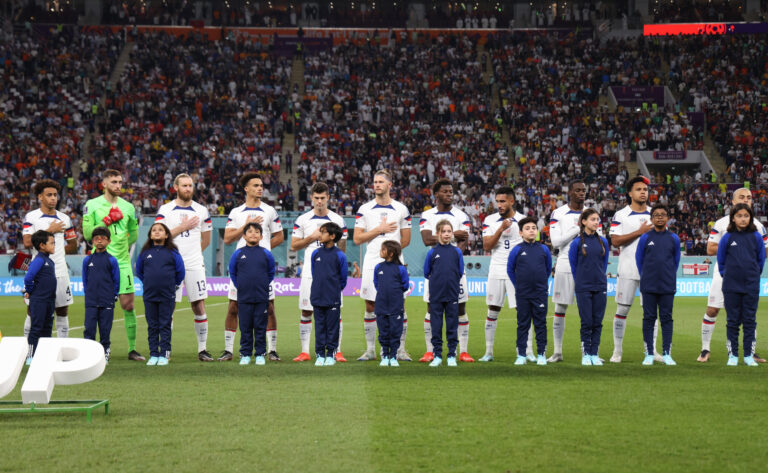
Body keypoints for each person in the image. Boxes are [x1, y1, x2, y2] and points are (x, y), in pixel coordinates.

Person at [699, 188, 768, 362]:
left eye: (749, 197)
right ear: (733, 201)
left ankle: (749, 352)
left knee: (748, 315)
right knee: (713, 310)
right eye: (742, 197)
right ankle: (705, 349)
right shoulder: (722, 223)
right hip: (725, 275)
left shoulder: (758, 226)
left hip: (748, 275)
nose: (746, 200)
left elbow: (764, 251)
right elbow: (710, 248)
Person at [220, 172, 284, 362]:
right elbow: (228, 238)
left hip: (262, 267)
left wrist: (262, 249)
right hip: (242, 266)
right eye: (255, 185)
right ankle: (229, 350)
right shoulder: (236, 212)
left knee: (269, 307)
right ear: (246, 189)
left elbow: (279, 236)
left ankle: (271, 350)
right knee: (233, 307)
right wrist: (247, 226)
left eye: (261, 185)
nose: (260, 188)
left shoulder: (270, 211)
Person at [83, 169, 144, 361]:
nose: (118, 185)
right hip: (99, 261)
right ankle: (97, 349)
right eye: (114, 182)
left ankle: (132, 349)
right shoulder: (92, 205)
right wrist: (106, 223)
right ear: (104, 185)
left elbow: (133, 234)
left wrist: (122, 241)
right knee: (98, 307)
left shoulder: (128, 207)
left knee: (128, 305)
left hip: (123, 261)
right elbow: (86, 234)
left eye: (120, 182)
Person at [353, 169, 411, 361]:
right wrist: (379, 230)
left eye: (380, 182)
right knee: (370, 305)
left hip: (394, 264)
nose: (377, 185)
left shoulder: (401, 209)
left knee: (399, 305)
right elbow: (357, 238)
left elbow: (406, 239)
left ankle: (400, 350)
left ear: (389, 185)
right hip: (371, 262)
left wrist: (391, 256)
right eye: (375, 182)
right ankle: (370, 350)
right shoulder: (364, 209)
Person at [155, 173, 214, 362]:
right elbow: (158, 237)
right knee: (169, 306)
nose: (188, 188)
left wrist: (193, 255)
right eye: (184, 185)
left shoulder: (202, 210)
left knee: (198, 305)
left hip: (195, 264)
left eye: (190, 185)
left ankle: (202, 349)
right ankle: (165, 348)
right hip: (171, 264)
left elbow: (206, 240)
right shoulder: (165, 209)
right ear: (176, 188)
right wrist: (182, 227)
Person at [290, 182, 348, 363]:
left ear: (328, 198)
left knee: (334, 312)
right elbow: (294, 245)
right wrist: (311, 237)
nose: (320, 201)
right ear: (311, 198)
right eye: (316, 198)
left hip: (331, 274)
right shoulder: (302, 219)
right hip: (309, 271)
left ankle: (336, 350)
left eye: (323, 198)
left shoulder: (338, 220)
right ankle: (305, 351)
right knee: (307, 311)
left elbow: (342, 247)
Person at [419, 179, 473, 363]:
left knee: (460, 307)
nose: (449, 194)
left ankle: (462, 351)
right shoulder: (428, 215)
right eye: (445, 191)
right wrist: (453, 235)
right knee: (431, 308)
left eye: (451, 191)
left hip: (455, 268)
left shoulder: (462, 215)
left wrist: (452, 243)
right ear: (437, 194)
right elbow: (426, 239)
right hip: (436, 270)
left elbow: (463, 242)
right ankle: (430, 351)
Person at [609, 175, 661, 363]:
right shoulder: (621, 215)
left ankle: (652, 351)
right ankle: (617, 351)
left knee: (650, 312)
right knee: (622, 310)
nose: (643, 192)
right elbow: (615, 241)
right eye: (639, 189)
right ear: (630, 193)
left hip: (651, 271)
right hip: (628, 269)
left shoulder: (655, 214)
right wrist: (639, 232)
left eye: (645, 190)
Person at [548, 180, 600, 362]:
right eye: (577, 190)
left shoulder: (591, 213)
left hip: (588, 265)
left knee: (590, 311)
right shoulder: (559, 213)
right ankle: (558, 351)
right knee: (560, 308)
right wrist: (577, 229)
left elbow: (598, 239)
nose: (581, 193)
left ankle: (590, 351)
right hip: (564, 264)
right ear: (569, 192)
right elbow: (555, 242)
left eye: (584, 190)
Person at [22, 180, 78, 348]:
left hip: (60, 271)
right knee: (33, 311)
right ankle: (28, 348)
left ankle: (61, 350)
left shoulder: (65, 218)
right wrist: (49, 231)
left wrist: (58, 254)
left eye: (55, 195)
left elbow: (73, 244)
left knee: (62, 310)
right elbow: (26, 242)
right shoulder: (31, 217)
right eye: (49, 195)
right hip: (39, 273)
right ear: (40, 197)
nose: (53, 198)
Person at [479, 186, 528, 363]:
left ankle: (525, 351)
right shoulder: (490, 220)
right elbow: (486, 246)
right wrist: (500, 229)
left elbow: (530, 244)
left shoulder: (523, 220)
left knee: (522, 310)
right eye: (497, 201)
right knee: (493, 309)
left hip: (517, 272)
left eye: (502, 201)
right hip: (497, 269)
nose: (499, 205)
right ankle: (489, 352)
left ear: (511, 201)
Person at [717, 203, 766, 366]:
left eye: (746, 216)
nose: (743, 219)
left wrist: (752, 275)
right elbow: (721, 260)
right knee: (732, 321)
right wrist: (728, 275)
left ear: (750, 218)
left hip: (751, 285)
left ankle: (748, 355)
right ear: (733, 218)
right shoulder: (727, 237)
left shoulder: (756, 236)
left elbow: (761, 260)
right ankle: (733, 355)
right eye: (739, 216)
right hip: (731, 285)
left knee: (750, 320)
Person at [635, 204, 681, 366]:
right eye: (656, 215)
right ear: (652, 219)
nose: (660, 217)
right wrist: (647, 276)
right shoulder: (645, 238)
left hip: (667, 285)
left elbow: (675, 261)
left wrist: (667, 275)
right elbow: (639, 260)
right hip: (649, 285)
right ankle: (649, 353)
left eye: (663, 214)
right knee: (649, 318)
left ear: (668, 218)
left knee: (666, 319)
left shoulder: (674, 238)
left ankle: (667, 353)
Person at [135, 223, 186, 366]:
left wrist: (171, 285)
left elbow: (180, 272)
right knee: (152, 325)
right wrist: (149, 282)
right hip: (150, 294)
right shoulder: (145, 253)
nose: (157, 232)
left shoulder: (173, 253)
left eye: (160, 230)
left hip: (167, 294)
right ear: (150, 235)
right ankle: (153, 354)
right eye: (154, 230)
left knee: (164, 324)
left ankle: (164, 353)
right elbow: (139, 271)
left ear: (167, 235)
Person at [507, 217, 552, 366]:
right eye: (527, 228)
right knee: (523, 324)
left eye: (534, 227)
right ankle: (521, 354)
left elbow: (547, 269)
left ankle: (541, 354)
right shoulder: (517, 250)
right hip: (523, 294)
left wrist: (540, 284)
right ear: (521, 233)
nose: (531, 230)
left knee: (540, 324)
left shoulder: (544, 249)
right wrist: (519, 285)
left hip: (539, 293)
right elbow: (510, 270)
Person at [229, 222, 276, 366]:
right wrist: (241, 286)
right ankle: (245, 353)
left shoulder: (266, 253)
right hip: (244, 297)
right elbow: (233, 272)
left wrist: (261, 285)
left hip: (261, 297)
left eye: (256, 232)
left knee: (260, 326)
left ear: (261, 236)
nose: (253, 234)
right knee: (245, 326)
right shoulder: (238, 254)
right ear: (244, 236)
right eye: (249, 232)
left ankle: (260, 354)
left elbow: (271, 273)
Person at [569, 209, 610, 366]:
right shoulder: (576, 242)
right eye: (592, 219)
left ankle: (594, 353)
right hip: (583, 287)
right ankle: (586, 353)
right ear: (584, 222)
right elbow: (574, 266)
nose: (596, 222)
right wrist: (581, 281)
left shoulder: (603, 242)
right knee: (586, 321)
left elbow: (603, 264)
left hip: (600, 285)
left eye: (597, 219)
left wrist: (599, 278)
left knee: (597, 321)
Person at [423, 220, 464, 367]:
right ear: (438, 234)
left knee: (452, 325)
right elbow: (426, 272)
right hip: (436, 295)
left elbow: (460, 271)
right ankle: (438, 355)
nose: (447, 234)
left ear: (452, 234)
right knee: (436, 326)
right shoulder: (433, 252)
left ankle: (452, 355)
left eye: (449, 231)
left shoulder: (457, 252)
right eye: (444, 231)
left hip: (452, 294)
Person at [310, 222, 348, 367]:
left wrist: (333, 290)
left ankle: (331, 353)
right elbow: (315, 273)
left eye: (323, 232)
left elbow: (343, 279)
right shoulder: (315, 253)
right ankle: (320, 354)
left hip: (332, 298)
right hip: (317, 296)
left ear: (332, 236)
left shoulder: (340, 256)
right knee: (319, 327)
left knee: (332, 327)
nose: (320, 235)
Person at [82, 227, 120, 362]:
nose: (99, 241)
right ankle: (89, 355)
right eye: (96, 238)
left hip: (106, 301)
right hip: (91, 302)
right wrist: (88, 294)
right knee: (89, 330)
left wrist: (114, 295)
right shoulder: (87, 260)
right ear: (92, 241)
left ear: (108, 241)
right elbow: (85, 280)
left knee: (105, 330)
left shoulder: (112, 260)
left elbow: (116, 280)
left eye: (103, 238)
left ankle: (105, 353)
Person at [374, 240, 410, 367]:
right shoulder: (378, 267)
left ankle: (393, 355)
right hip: (381, 305)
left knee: (395, 331)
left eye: (383, 249)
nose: (380, 251)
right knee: (383, 332)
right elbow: (376, 284)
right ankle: (385, 355)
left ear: (391, 253)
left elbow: (405, 286)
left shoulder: (400, 269)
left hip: (396, 306)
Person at [23, 230, 56, 365]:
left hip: (49, 300)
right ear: (42, 245)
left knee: (47, 328)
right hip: (39, 301)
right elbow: (28, 277)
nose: (54, 245)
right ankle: (30, 357)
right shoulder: (39, 260)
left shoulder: (49, 261)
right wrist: (30, 291)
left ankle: (43, 355)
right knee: (36, 328)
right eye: (52, 243)